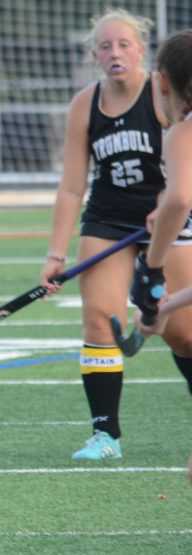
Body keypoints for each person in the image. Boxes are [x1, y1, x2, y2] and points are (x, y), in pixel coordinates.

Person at [40, 9, 192, 462]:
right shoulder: (84, 105)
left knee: (182, 332)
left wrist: (162, 206)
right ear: (94, 55)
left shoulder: (165, 97)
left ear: (142, 51)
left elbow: (181, 180)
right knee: (99, 318)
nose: (115, 53)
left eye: (124, 44)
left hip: (165, 220)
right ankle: (105, 435)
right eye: (105, 46)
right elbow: (71, 185)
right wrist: (55, 252)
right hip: (107, 221)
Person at [132, 29, 192, 367]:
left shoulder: (183, 133)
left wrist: (150, 269)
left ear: (164, 83)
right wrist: (165, 307)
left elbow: (180, 200)